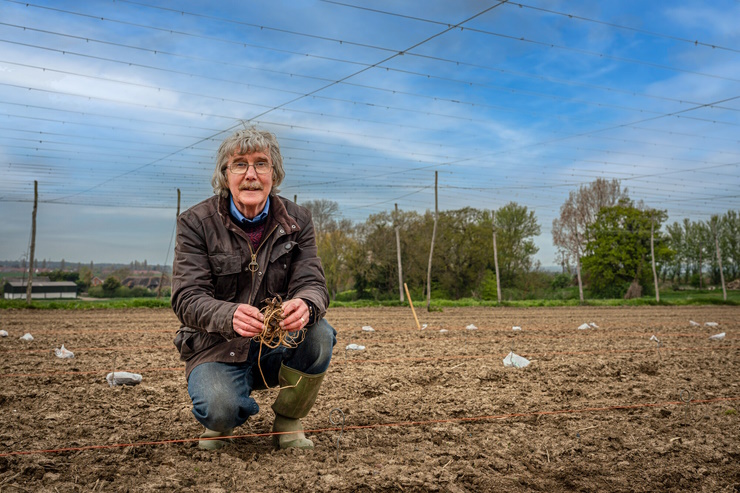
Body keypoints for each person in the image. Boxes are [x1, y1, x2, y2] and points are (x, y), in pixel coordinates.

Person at [171, 126, 336, 451]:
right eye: (240, 164)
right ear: (225, 174)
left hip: (277, 344)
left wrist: (306, 303)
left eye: (261, 164)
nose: (251, 174)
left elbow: (312, 282)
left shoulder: (298, 220)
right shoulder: (195, 222)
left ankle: (289, 419)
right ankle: (224, 417)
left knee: (319, 334)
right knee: (220, 410)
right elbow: (186, 297)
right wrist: (227, 315)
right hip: (216, 346)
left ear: (274, 173)